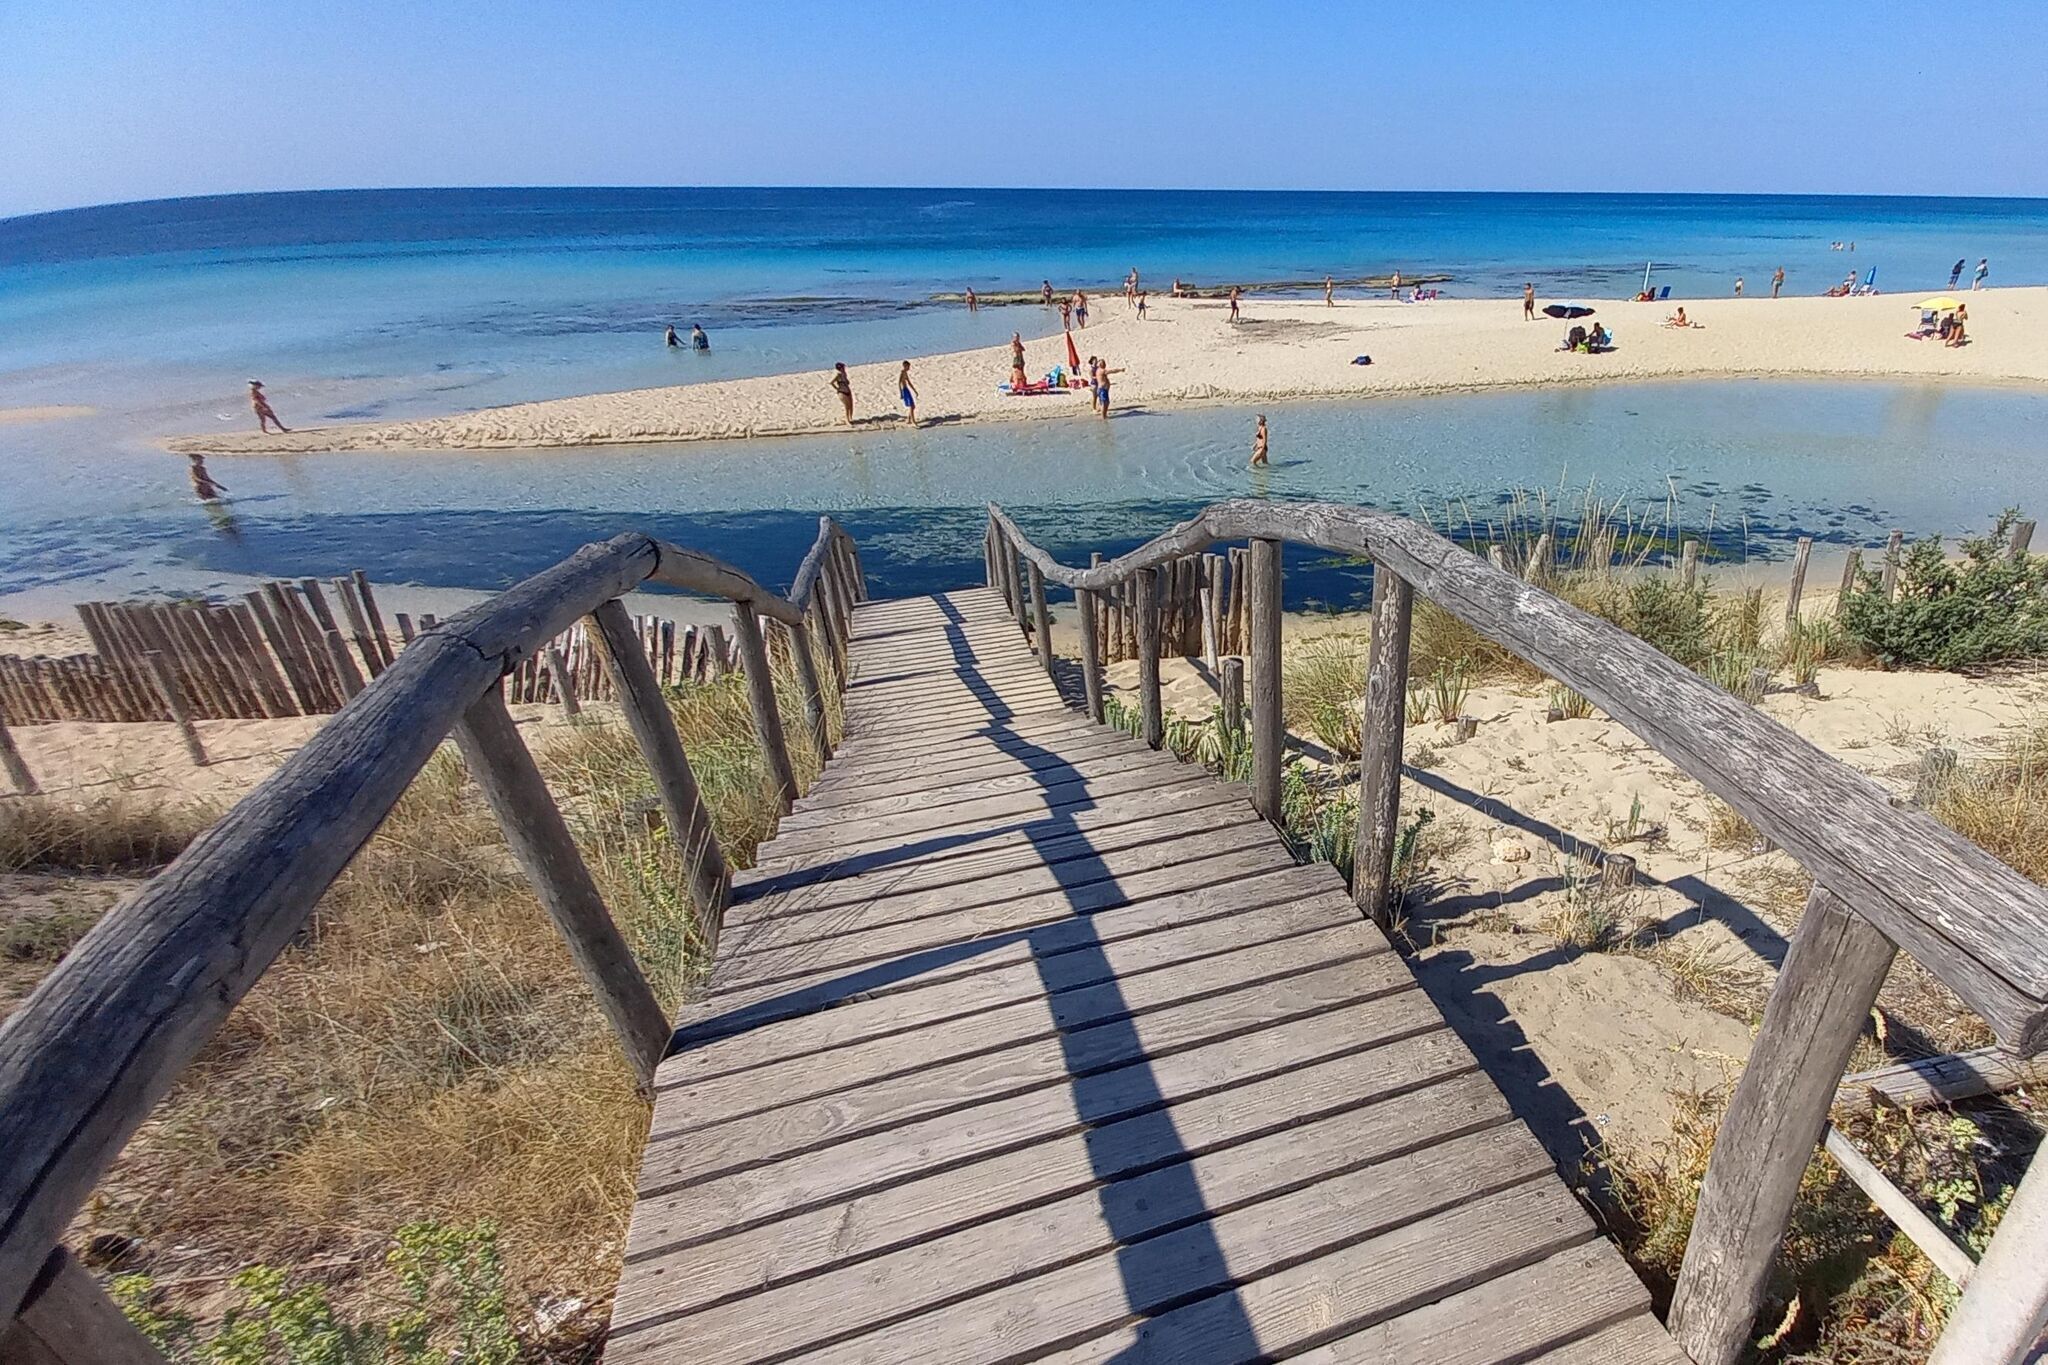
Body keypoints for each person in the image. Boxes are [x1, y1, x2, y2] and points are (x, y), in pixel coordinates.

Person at [898, 360, 919, 426]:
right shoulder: (902, 373)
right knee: (911, 406)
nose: (909, 368)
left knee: (913, 406)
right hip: (904, 390)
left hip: (907, 389)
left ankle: (909, 420)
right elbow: (899, 383)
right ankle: (913, 421)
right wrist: (901, 393)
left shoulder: (905, 373)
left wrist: (915, 391)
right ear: (905, 366)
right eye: (908, 366)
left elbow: (909, 382)